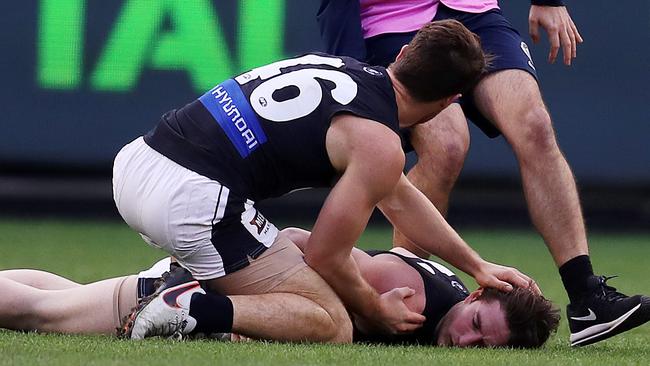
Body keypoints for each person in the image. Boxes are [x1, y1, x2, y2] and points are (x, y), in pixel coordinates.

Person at [111, 19, 538, 342]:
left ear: (404, 52)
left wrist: (477, 266)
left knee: (83, 306)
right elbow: (326, 255)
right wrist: (375, 307)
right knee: (331, 321)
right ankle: (190, 307)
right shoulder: (381, 144)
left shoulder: (341, 68)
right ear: (450, 102)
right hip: (193, 198)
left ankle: (57, 298)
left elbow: (401, 198)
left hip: (138, 160)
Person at [316, 0, 650, 346]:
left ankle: (588, 299)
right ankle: (406, 295)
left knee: (534, 126)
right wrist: (350, 63)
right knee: (446, 145)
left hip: (473, 10)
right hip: (389, 19)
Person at [0, 227, 560, 348]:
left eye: (485, 348)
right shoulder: (411, 294)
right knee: (42, 316)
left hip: (216, 282)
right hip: (204, 291)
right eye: (477, 328)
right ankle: (190, 305)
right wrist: (365, 306)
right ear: (476, 297)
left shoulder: (446, 301)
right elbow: (301, 242)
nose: (467, 343)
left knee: (61, 293)